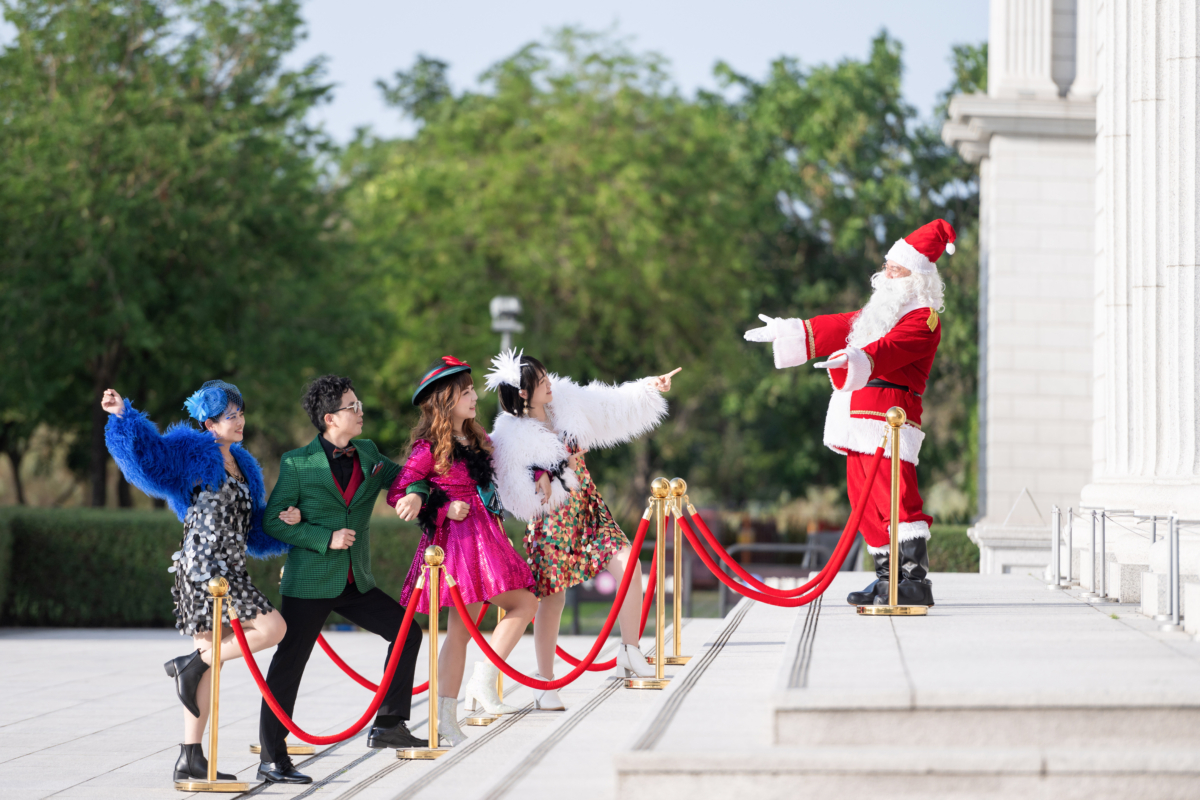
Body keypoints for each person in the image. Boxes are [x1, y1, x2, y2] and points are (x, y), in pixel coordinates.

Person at [744, 219, 955, 607]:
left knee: (895, 496)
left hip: (889, 418)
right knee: (864, 499)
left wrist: (856, 358)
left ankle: (913, 579)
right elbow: (842, 325)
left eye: (896, 269)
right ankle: (887, 577)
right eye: (887, 266)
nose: (886, 275)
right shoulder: (881, 311)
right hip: (858, 415)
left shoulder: (924, 318)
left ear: (918, 278)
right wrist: (791, 331)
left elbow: (891, 349)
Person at [102, 381, 294, 784]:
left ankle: (190, 754)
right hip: (202, 568)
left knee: (212, 663)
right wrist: (122, 417)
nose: (240, 421)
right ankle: (192, 672)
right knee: (272, 628)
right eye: (230, 416)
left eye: (241, 414)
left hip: (232, 569)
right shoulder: (191, 452)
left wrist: (285, 523)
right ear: (209, 424)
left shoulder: (244, 464)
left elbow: (255, 529)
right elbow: (148, 458)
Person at [255, 375, 425, 784]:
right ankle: (272, 759)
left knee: (407, 632)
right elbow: (273, 521)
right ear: (330, 418)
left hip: (355, 581)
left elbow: (408, 475)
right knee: (289, 664)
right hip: (309, 582)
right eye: (353, 406)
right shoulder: (297, 463)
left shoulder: (368, 453)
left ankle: (388, 724)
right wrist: (323, 537)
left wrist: (416, 493)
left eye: (359, 404)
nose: (360, 411)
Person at [487, 351, 680, 709]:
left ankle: (629, 650)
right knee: (553, 599)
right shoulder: (509, 435)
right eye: (540, 381)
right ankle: (545, 683)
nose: (549, 384)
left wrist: (648, 387)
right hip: (551, 523)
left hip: (588, 509)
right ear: (524, 393)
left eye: (547, 376)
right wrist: (554, 470)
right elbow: (514, 489)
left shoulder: (566, 401)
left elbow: (609, 402)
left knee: (629, 564)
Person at [390, 356, 538, 746]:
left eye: (473, 390)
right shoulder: (428, 448)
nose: (474, 397)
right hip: (456, 543)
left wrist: (542, 470)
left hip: (486, 536)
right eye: (466, 392)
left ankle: (481, 681)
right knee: (461, 632)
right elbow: (400, 491)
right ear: (446, 400)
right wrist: (440, 507)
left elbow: (508, 470)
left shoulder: (478, 438)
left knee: (523, 604)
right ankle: (446, 716)